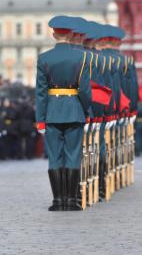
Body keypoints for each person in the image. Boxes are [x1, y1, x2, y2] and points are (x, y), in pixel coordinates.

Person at [35, 15, 92, 211]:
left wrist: (40, 119)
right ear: (70, 34)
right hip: (74, 111)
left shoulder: (44, 58)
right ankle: (72, 201)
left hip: (52, 112)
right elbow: (84, 90)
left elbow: (41, 92)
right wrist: (86, 110)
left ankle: (58, 201)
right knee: (73, 155)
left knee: (54, 156)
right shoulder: (82, 57)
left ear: (53, 34)